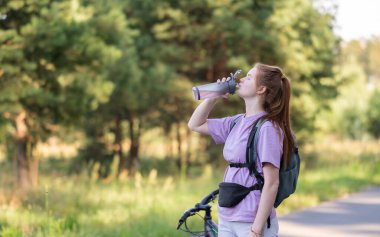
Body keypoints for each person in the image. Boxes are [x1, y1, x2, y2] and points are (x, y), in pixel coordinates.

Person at [188, 63, 295, 237]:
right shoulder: (236, 122)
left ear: (261, 89)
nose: (242, 79)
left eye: (249, 77)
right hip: (227, 217)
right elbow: (195, 124)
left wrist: (256, 230)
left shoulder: (268, 128)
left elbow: (272, 183)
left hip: (251, 221)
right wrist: (213, 96)